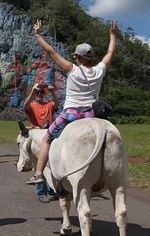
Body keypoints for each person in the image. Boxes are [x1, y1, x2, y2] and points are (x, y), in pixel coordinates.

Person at [26, 19, 118, 185]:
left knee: (47, 138)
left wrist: (38, 35)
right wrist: (112, 35)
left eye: (76, 57)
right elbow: (110, 53)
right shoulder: (99, 70)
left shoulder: (72, 69)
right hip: (91, 114)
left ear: (79, 58)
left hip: (71, 114)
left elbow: (51, 51)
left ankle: (39, 174)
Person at [24, 83, 59, 202]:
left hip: (49, 136)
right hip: (36, 136)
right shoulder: (32, 105)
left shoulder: (49, 105)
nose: (39, 95)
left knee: (52, 164)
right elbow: (25, 105)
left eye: (41, 93)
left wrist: (53, 92)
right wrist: (32, 92)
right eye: (37, 93)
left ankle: (51, 190)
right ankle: (41, 192)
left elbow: (57, 104)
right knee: (40, 164)